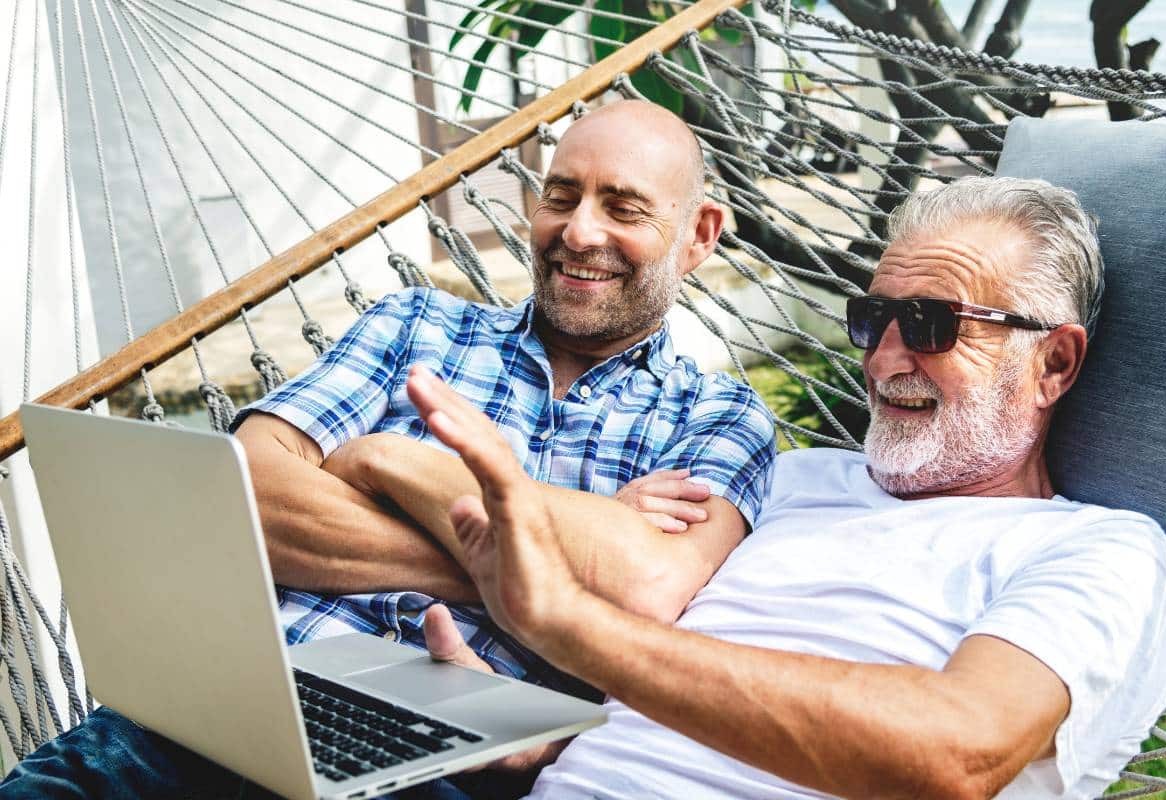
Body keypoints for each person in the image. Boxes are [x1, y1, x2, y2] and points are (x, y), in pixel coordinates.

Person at [0, 99, 774, 798]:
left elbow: (645, 588)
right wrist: (550, 563)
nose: (577, 231)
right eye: (561, 195)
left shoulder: (719, 418)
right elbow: (242, 500)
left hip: (442, 762)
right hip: (223, 704)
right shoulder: (417, 326)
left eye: (624, 207)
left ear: (698, 235)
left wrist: (392, 462)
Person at [407, 175, 1166, 799]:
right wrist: (544, 742)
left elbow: (957, 754)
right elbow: (672, 687)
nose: (883, 360)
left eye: (932, 325)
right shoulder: (781, 480)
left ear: (1053, 364)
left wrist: (568, 625)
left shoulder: (1103, 550)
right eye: (875, 318)